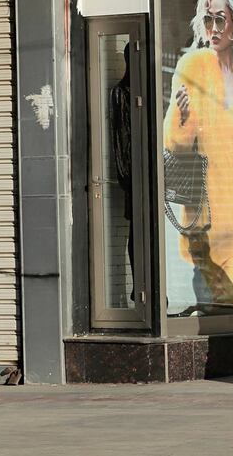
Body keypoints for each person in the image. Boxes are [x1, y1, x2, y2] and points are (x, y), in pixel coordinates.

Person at [164, 0, 233, 308]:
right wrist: (182, 113)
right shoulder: (192, 66)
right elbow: (175, 144)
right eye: (208, 20)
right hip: (203, 209)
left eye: (220, 19)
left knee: (230, 304)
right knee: (212, 301)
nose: (213, 28)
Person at [109, 42, 134, 300]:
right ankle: (140, 285)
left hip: (149, 174)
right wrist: (126, 176)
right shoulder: (120, 92)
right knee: (136, 229)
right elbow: (119, 137)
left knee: (148, 230)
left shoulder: (148, 90)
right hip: (132, 174)